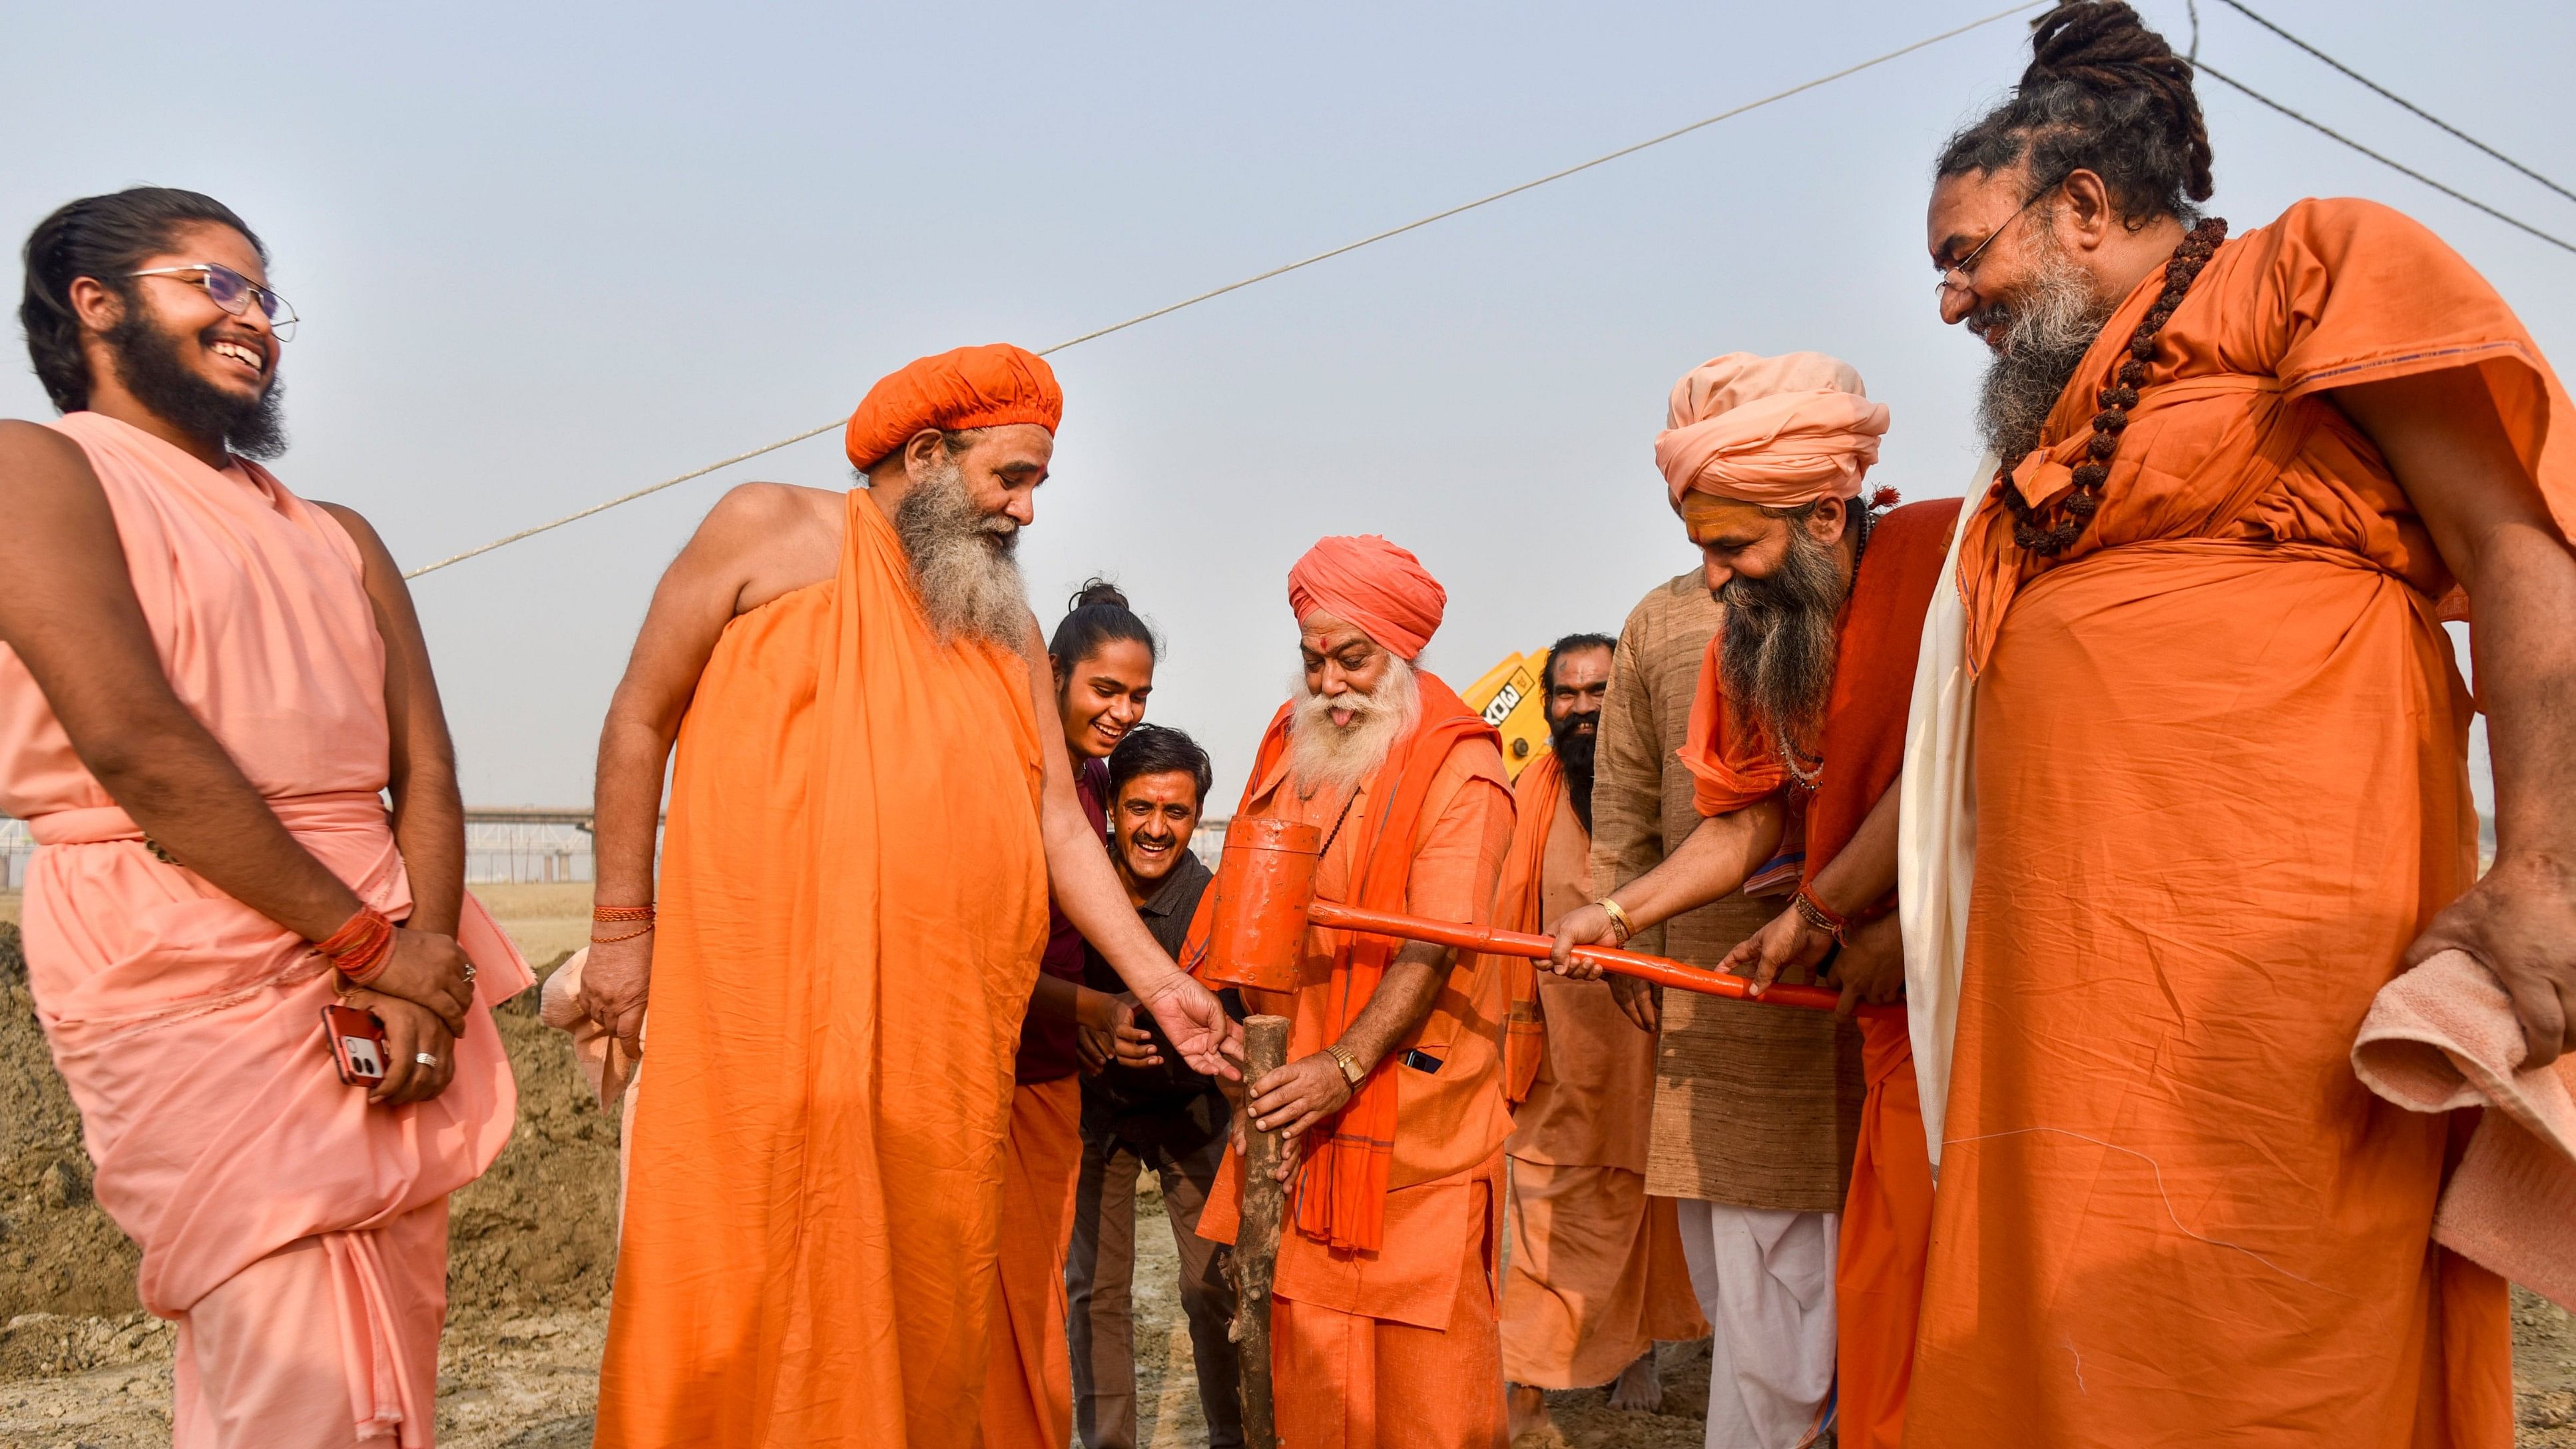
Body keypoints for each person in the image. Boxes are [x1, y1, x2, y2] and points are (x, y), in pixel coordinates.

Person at [1900, 4, 2576, 1442]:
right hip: (2066, 973)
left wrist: (2541, 869)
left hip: (2279, 949)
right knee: (2070, 1280)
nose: (1950, 303)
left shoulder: (2312, 268)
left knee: (2280, 1272)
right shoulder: (2052, 428)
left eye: (1964, 256)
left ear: (2081, 206)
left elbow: (2519, 550)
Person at [580, 344, 1238, 1448]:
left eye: (1036, 486)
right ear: (927, 455)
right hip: (764, 1019)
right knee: (747, 1266)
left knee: (917, 1298)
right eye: (1009, 478)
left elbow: (1056, 831)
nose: (1027, 512)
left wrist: (1161, 980)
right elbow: (637, 717)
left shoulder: (1009, 629)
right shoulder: (766, 532)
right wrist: (616, 931)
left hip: (935, 1051)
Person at [0, 186, 528, 1447]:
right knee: (287, 1363)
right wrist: (367, 946)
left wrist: (422, 963)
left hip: (393, 958)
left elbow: (429, 777)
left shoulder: (339, 535)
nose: (258, 321)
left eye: (266, 296)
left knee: (389, 1366)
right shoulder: (38, 465)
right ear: (97, 304)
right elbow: (133, 742)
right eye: (216, 285)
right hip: (176, 946)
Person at [1551, 352, 1955, 1449]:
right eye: (1701, 552)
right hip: (1874, 1031)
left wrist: (1831, 916)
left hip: (1974, 1004)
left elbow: (1958, 773)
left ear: (1826, 513)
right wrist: (1623, 914)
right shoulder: (1748, 633)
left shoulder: (1948, 561)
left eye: (1732, 546)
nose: (1716, 578)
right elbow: (1745, 818)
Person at [1190, 534, 1517, 1449]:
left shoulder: (1461, 767)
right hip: (1293, 1117)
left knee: (1423, 1402)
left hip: (1411, 1133)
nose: (1331, 683)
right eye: (1314, 659)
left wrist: (1341, 1065)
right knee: (1305, 1380)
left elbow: (1436, 947)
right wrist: (1216, 1016)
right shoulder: (1291, 746)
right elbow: (1238, 902)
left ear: (1403, 653)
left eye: (1353, 659)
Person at [1499, 633, 1706, 1442]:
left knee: (1657, 1216)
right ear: (1546, 705)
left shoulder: (1675, 780)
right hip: (1559, 1054)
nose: (1581, 709)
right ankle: (1523, 1389)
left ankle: (1637, 1352)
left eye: (1599, 691)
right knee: (1547, 1226)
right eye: (1566, 694)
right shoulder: (1527, 793)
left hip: (1663, 1051)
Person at [983, 580, 1160, 1449]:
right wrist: (1094, 1003)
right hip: (995, 1077)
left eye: (1139, 697)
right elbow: (987, 953)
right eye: (1106, 690)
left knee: (1036, 1295)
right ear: (1051, 672)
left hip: (1053, 1071)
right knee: (1005, 1302)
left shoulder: (1088, 780)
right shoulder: (1009, 771)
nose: (1124, 711)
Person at [1065, 723, 1244, 1449]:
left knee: (1212, 1290)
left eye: (1175, 812)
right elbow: (1028, 977)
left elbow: (1239, 1023)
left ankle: (1232, 1437)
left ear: (1197, 816)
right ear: (1111, 811)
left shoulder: (1218, 905)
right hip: (1095, 1113)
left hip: (1192, 1116)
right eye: (1140, 808)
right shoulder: (1073, 887)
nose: (1155, 828)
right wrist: (1078, 1017)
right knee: (1095, 1291)